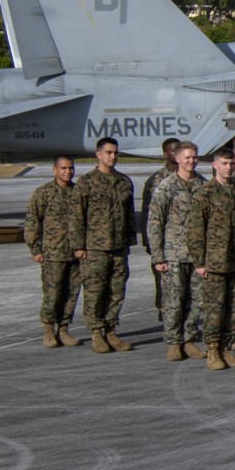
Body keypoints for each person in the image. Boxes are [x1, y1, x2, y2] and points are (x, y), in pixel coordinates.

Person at [75, 137, 138, 353]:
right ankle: (96, 332)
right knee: (95, 291)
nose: (112, 156)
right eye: (108, 152)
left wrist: (130, 241)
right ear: (98, 154)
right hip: (95, 248)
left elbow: (130, 215)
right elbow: (77, 217)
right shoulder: (86, 182)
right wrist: (79, 246)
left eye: (115, 153)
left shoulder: (124, 182)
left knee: (116, 290)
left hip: (118, 247)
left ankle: (111, 330)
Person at [187, 149, 235, 370]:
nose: (229, 167)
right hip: (214, 260)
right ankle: (213, 349)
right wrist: (199, 261)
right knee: (214, 308)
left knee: (234, 308)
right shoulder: (205, 193)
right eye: (224, 163)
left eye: (231, 163)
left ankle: (226, 348)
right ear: (214, 165)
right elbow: (195, 229)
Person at [144, 142, 205, 361]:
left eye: (194, 157)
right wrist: (158, 256)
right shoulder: (166, 187)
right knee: (173, 300)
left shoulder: (202, 185)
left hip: (196, 255)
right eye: (187, 157)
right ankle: (173, 342)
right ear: (178, 159)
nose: (191, 161)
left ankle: (189, 339)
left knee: (196, 300)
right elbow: (155, 222)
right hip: (173, 254)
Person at [25, 156, 85, 349]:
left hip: (76, 252)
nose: (68, 172)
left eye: (71, 168)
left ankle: (64, 328)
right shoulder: (44, 193)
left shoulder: (79, 192)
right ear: (54, 170)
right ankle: (49, 330)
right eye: (64, 168)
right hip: (53, 252)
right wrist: (35, 249)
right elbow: (33, 221)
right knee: (52, 292)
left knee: (72, 292)